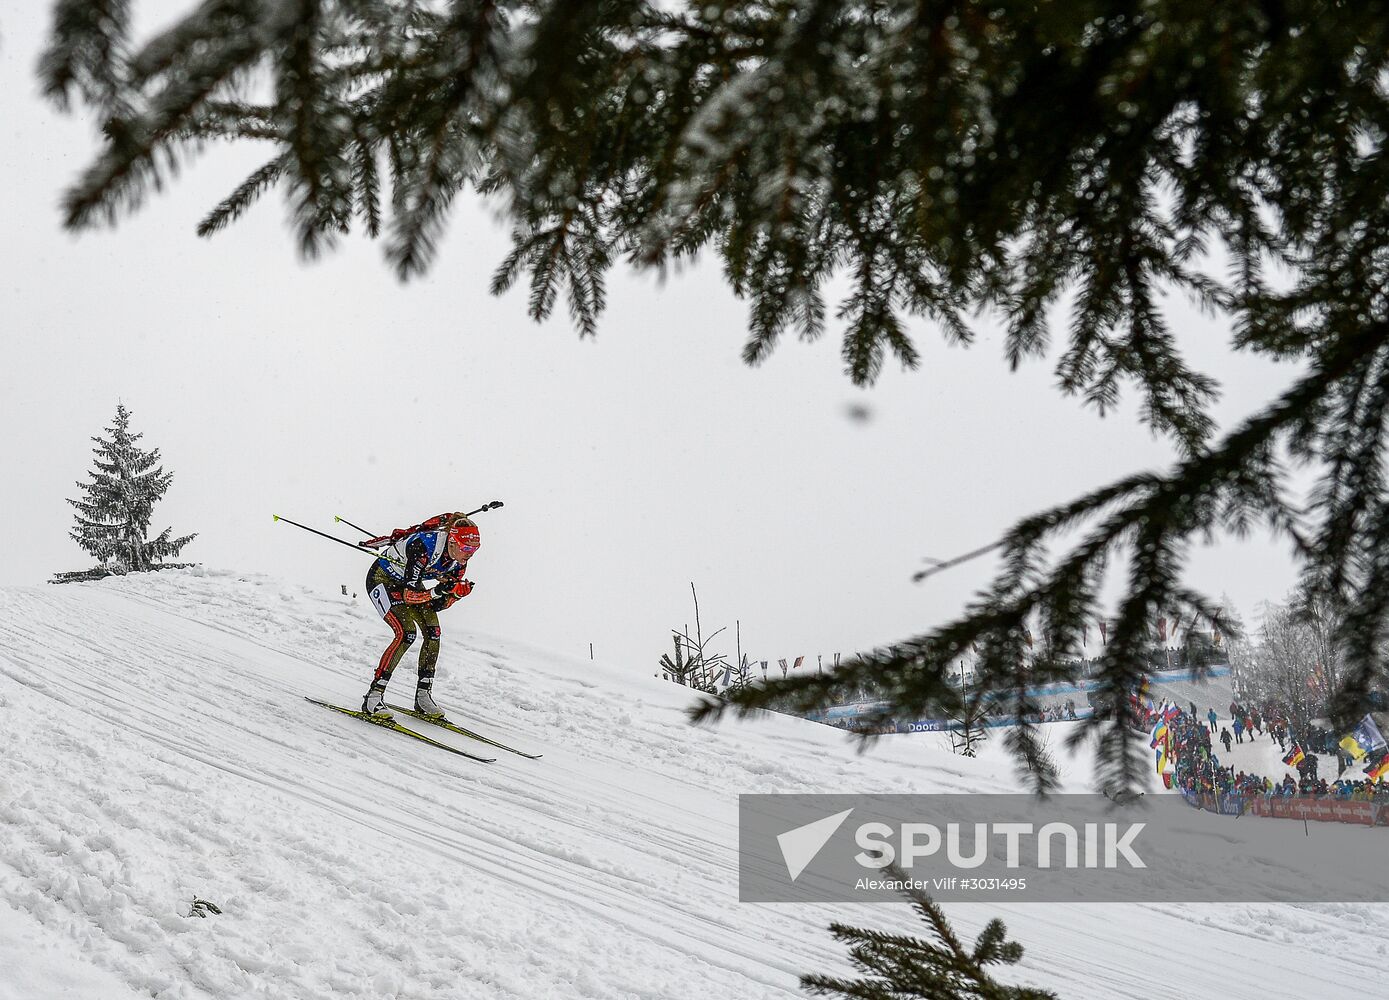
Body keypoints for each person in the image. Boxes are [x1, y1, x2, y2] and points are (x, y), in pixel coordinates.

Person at [359, 512, 481, 720]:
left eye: (475, 549)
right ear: (452, 541)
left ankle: (423, 695)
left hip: (409, 587)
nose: (469, 553)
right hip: (383, 579)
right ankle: (373, 696)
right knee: (407, 633)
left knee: (433, 632)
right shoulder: (424, 547)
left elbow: (436, 605)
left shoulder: (459, 562)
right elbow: (410, 595)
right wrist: (438, 591)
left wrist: (455, 596)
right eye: (466, 547)